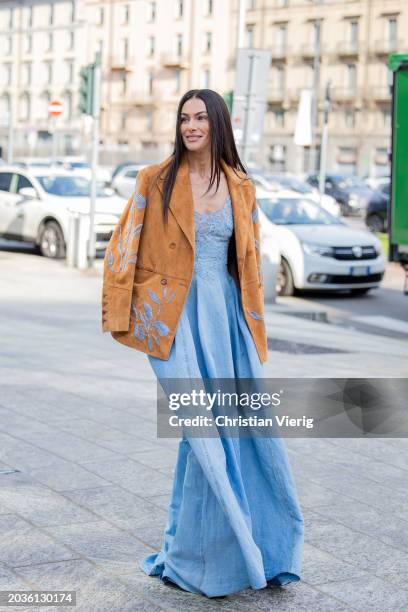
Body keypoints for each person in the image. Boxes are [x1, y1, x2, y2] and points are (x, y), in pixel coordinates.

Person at [102, 89, 304, 599]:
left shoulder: (240, 184)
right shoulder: (156, 179)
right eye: (184, 118)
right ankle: (205, 558)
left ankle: (233, 551)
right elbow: (123, 247)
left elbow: (250, 260)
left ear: (218, 123)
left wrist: (251, 323)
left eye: (200, 118)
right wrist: (128, 313)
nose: (191, 125)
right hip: (175, 319)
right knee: (203, 432)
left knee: (238, 436)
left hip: (227, 317)